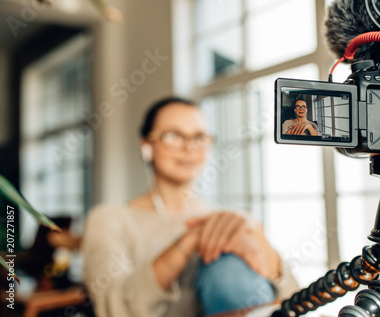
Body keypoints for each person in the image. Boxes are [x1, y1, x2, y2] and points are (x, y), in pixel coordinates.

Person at [82, 97, 299, 317]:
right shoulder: (110, 219)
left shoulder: (225, 220)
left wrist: (256, 236)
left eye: (199, 137)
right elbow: (113, 308)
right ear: (147, 145)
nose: (189, 147)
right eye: (173, 136)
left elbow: (297, 300)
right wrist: (191, 240)